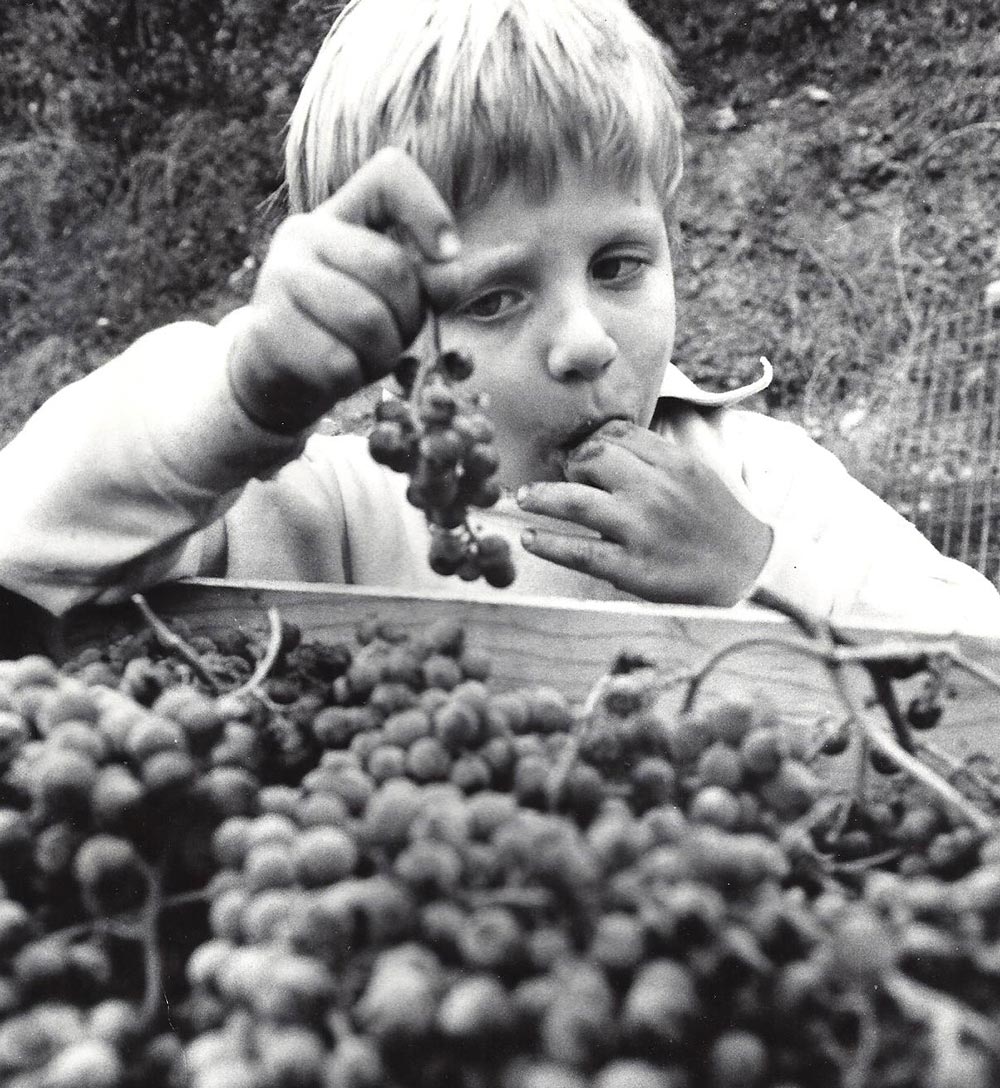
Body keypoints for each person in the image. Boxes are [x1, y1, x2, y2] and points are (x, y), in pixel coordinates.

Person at [0, 0, 998, 634]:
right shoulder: (325, 514)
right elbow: (25, 554)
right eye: (489, 296)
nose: (585, 341)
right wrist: (238, 397)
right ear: (382, 326)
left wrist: (760, 569)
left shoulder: (752, 480)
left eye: (618, 263)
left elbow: (978, 666)